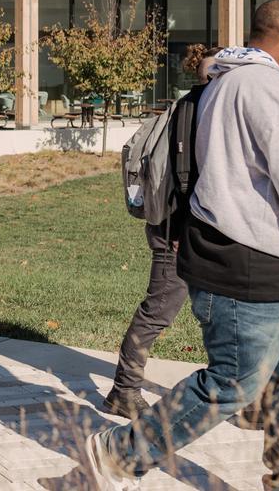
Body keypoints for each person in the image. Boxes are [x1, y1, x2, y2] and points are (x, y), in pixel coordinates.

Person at [86, 0, 279, 490]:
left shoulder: (222, 79)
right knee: (231, 384)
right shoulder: (268, 89)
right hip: (249, 271)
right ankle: (119, 452)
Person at [103, 44, 223, 419]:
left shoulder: (196, 107)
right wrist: (181, 231)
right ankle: (123, 390)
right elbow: (188, 180)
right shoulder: (196, 112)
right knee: (158, 310)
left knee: (221, 312)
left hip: (195, 231)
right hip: (179, 231)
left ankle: (231, 387)